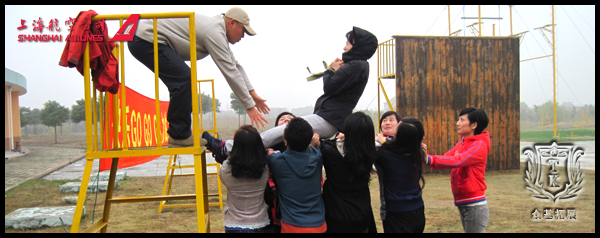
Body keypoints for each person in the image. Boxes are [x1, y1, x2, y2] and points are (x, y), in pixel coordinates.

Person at [204, 26, 378, 161]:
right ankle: (236, 153)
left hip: (329, 118)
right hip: (329, 118)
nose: (344, 47)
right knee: (281, 139)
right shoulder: (359, 66)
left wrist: (331, 70)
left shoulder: (357, 65)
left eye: (348, 43)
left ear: (358, 46)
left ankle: (228, 148)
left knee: (280, 131)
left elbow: (330, 87)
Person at [128, 7, 270, 148]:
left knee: (184, 79)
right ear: (232, 23)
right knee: (184, 79)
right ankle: (179, 135)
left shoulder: (217, 31)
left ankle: (180, 133)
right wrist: (249, 107)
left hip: (144, 37)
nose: (243, 36)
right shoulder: (213, 32)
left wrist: (252, 94)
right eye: (243, 31)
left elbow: (235, 66)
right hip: (144, 38)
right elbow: (229, 71)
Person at [424, 107, 490, 233]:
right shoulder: (462, 143)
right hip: (464, 204)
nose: (457, 123)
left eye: (461, 120)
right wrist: (423, 158)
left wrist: (429, 159)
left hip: (474, 205)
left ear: (474, 125)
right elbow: (445, 160)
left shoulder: (479, 145)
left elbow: (458, 161)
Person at [318, 112, 377, 233]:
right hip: (361, 215)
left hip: (335, 214)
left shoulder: (329, 150)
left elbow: (322, 143)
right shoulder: (370, 153)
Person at [266, 118, 326, 233]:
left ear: (285, 140)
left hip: (292, 227)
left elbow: (268, 152)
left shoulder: (277, 162)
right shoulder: (317, 157)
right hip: (319, 226)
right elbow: (314, 147)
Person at [376, 118, 427, 233]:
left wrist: (382, 140)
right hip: (418, 210)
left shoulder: (385, 155)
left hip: (397, 214)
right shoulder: (418, 151)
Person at [217, 125, 270, 233]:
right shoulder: (265, 169)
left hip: (234, 223)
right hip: (259, 222)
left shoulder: (226, 171)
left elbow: (227, 164)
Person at [263, 111, 295, 233]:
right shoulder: (267, 146)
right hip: (273, 201)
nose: (286, 120)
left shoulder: (303, 147)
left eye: (290, 119)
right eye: (282, 119)